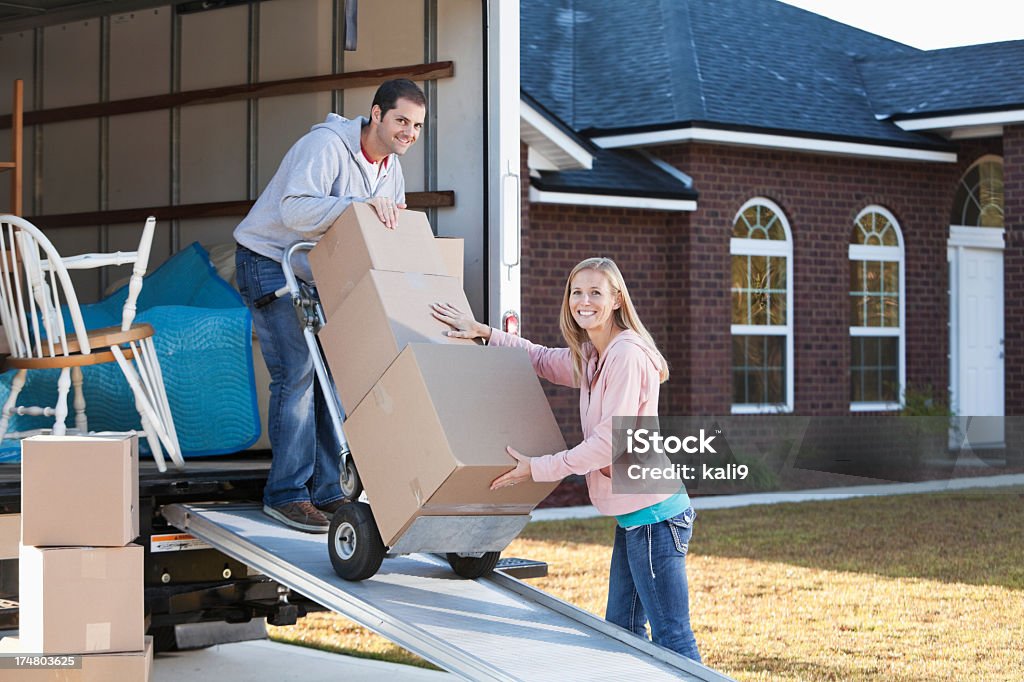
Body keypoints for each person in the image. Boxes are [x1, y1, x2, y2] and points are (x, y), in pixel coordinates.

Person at [431, 257, 701, 662]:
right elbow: (541, 359)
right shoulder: (595, 353)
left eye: (595, 292)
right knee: (623, 634)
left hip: (655, 518)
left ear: (616, 300)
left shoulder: (625, 355)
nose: (583, 301)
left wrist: (538, 468)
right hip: (638, 518)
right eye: (577, 292)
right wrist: (485, 332)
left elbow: (608, 443)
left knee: (672, 639)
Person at [234, 79, 427, 532]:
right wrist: (360, 204)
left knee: (332, 374)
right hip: (267, 260)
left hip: (314, 272)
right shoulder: (325, 146)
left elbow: (382, 228)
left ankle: (328, 491)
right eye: (401, 120)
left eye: (417, 126)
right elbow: (295, 212)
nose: (409, 133)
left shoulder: (389, 169)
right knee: (298, 369)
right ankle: (285, 493)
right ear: (376, 114)